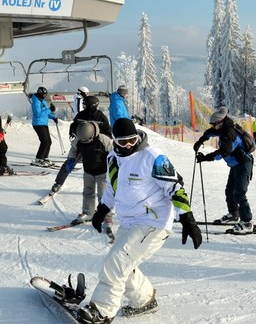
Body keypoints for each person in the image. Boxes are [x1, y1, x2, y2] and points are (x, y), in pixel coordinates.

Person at [77, 118, 202, 323]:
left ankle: (101, 311)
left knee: (117, 262)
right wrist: (102, 210)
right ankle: (144, 300)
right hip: (129, 221)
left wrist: (188, 220)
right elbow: (113, 189)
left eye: (132, 140)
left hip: (153, 222)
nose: (129, 145)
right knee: (123, 264)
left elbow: (175, 188)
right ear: (115, 141)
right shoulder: (112, 159)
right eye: (124, 142)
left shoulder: (152, 157)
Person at [193, 107, 255, 233]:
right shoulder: (223, 128)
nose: (213, 127)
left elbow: (223, 152)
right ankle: (233, 215)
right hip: (235, 165)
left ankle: (247, 222)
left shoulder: (229, 133)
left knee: (239, 193)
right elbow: (210, 132)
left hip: (244, 164)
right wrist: (201, 140)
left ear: (220, 123)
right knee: (229, 191)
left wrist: (205, 158)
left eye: (214, 125)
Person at [51, 121, 113, 224]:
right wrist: (71, 160)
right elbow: (73, 150)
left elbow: (112, 153)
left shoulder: (103, 140)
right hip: (88, 170)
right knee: (88, 192)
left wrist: (113, 166)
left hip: (102, 172)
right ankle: (88, 212)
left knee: (103, 194)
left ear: (92, 135)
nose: (84, 142)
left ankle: (107, 214)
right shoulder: (79, 140)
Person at [31, 86, 57, 167]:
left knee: (49, 141)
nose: (45, 96)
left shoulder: (43, 101)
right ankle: (39, 158)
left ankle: (44, 157)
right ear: (40, 94)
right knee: (44, 141)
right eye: (44, 94)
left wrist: (53, 116)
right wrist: (49, 109)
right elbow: (38, 114)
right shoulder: (35, 101)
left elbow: (46, 113)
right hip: (38, 123)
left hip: (44, 123)